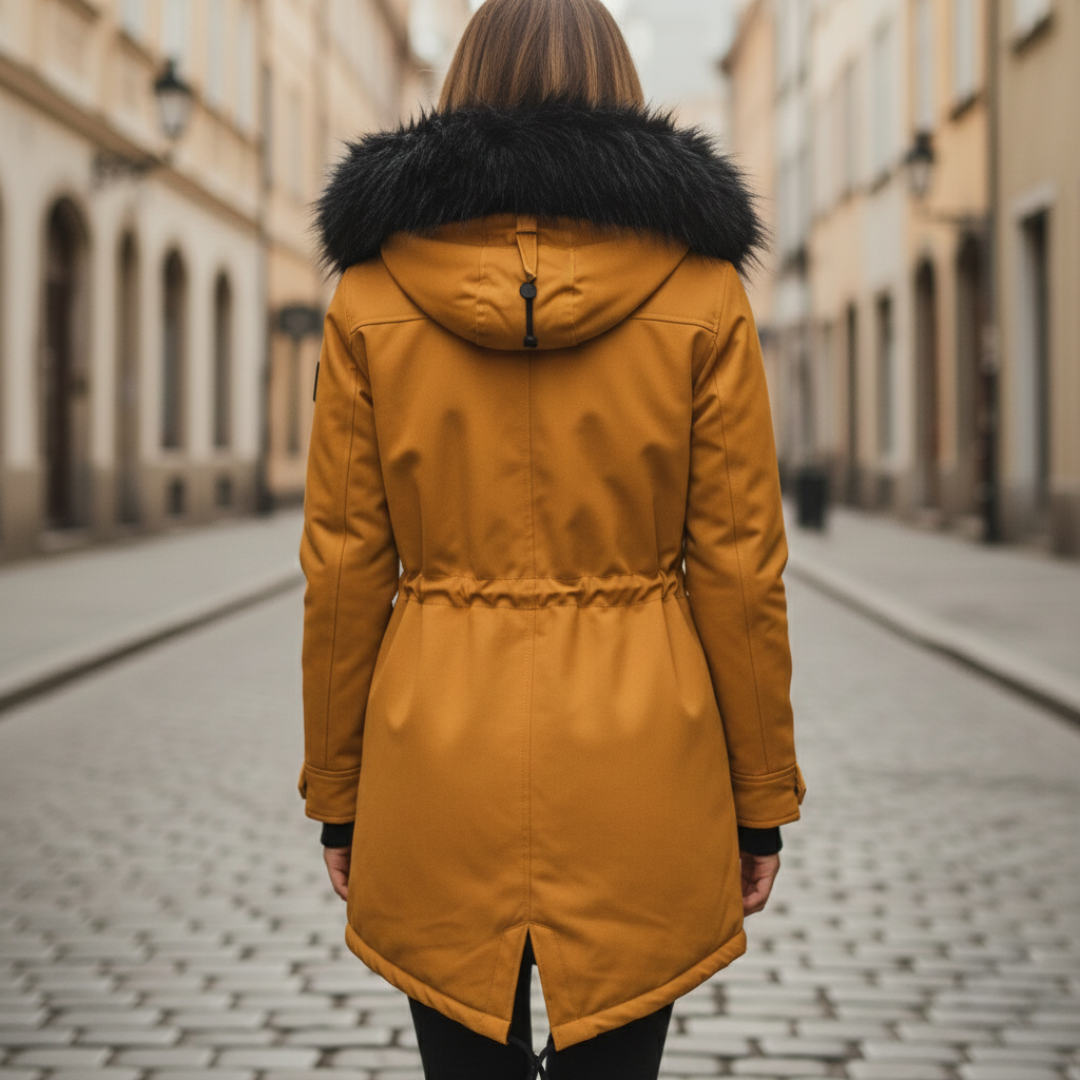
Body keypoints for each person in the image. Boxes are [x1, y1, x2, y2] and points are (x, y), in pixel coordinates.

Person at [298, 0, 806, 1075]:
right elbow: (739, 565)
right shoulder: (704, 292)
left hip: (434, 761)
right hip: (642, 771)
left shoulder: (372, 293)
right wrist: (760, 799)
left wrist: (338, 791)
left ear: (461, 96)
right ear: (622, 96)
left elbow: (342, 567)